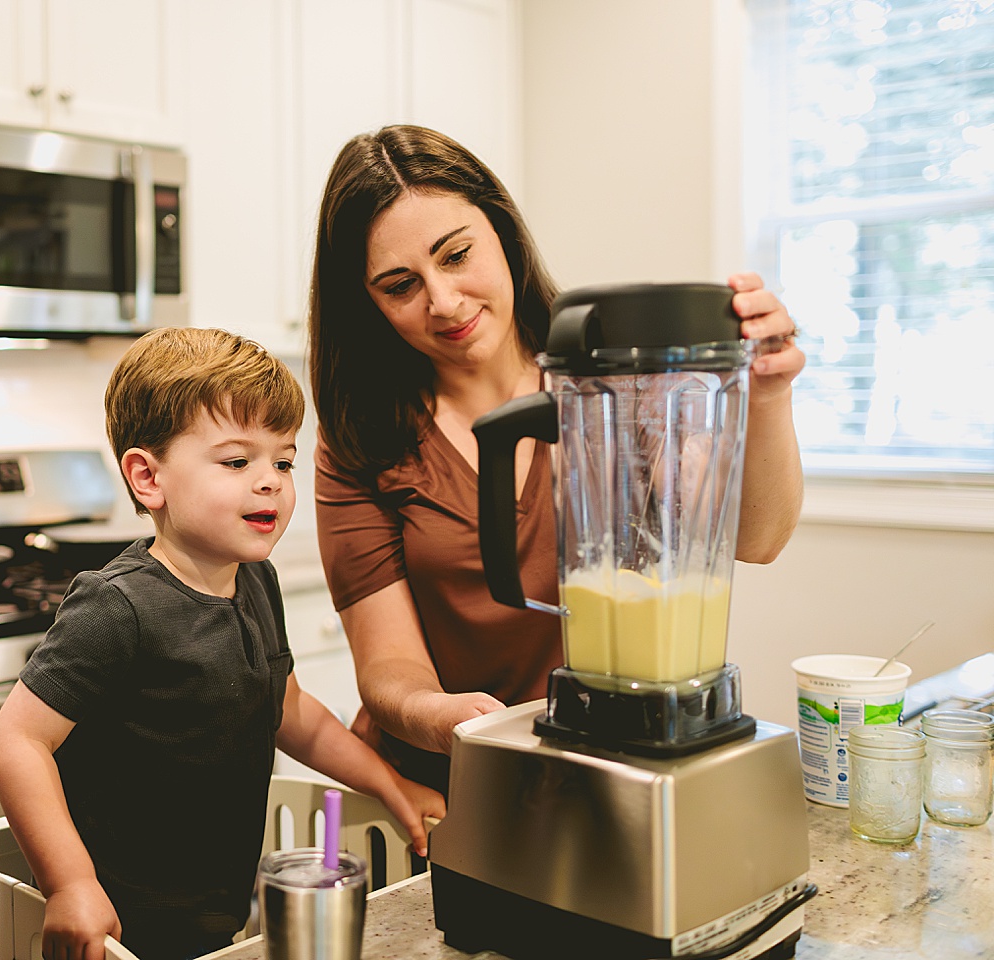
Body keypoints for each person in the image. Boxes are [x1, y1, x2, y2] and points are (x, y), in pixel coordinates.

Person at [309, 124, 806, 793]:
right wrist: (436, 717)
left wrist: (768, 393)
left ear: (502, 231)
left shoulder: (620, 387)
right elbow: (389, 663)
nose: (444, 302)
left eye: (455, 255)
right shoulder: (361, 440)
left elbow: (757, 537)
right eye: (401, 285)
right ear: (367, 304)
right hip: (457, 784)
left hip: (618, 768)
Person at [0, 327, 446, 960]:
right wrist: (70, 885)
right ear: (149, 478)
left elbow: (294, 714)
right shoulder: (117, 605)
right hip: (117, 922)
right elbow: (18, 740)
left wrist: (391, 784)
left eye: (282, 461)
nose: (271, 482)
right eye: (237, 462)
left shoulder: (257, 580)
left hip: (216, 911)